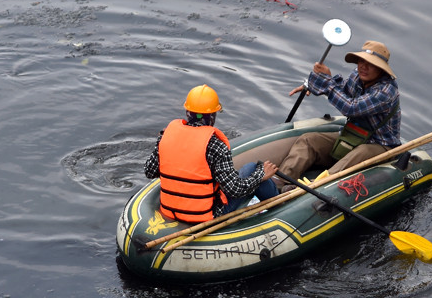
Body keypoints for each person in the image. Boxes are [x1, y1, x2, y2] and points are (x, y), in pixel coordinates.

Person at [273, 40, 401, 191]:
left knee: (360, 153)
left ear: (381, 69)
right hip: (354, 136)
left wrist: (325, 83)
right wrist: (316, 84)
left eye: (371, 64)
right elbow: (343, 92)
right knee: (308, 140)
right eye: (361, 61)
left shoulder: (386, 91)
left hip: (381, 145)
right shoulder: (357, 76)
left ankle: (312, 188)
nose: (363, 67)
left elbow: (351, 108)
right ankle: (279, 182)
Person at [144, 84, 278, 223]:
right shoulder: (216, 146)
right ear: (212, 116)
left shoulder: (165, 137)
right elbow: (235, 190)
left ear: (187, 113)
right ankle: (281, 206)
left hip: (169, 212)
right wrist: (261, 175)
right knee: (252, 169)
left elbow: (149, 171)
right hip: (205, 217)